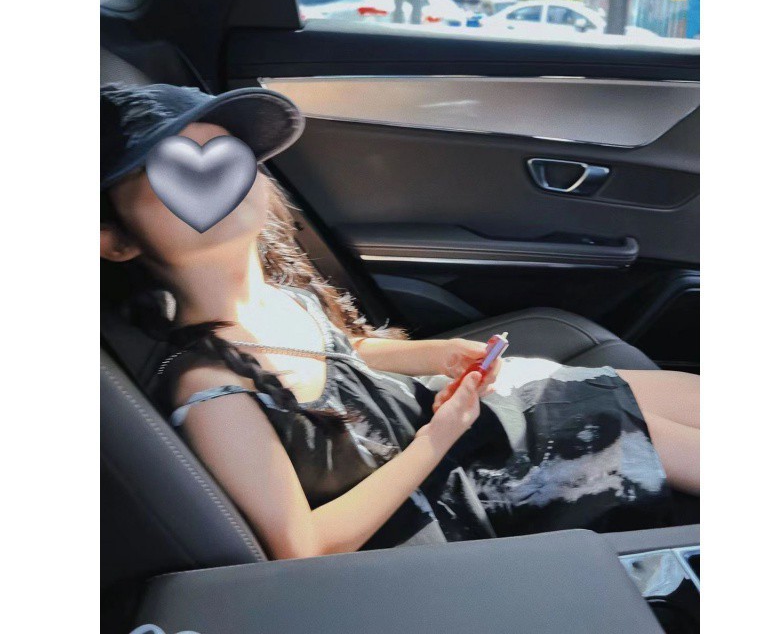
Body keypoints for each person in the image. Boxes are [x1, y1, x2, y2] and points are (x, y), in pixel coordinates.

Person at [100, 83, 699, 561]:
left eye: (231, 153)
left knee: (671, 392)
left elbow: (344, 355)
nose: (222, 175)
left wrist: (437, 354)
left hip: (448, 429)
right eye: (169, 169)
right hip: (445, 488)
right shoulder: (212, 388)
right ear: (114, 241)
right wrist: (440, 436)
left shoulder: (281, 298)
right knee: (626, 422)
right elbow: (301, 547)